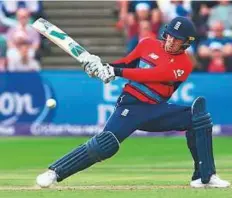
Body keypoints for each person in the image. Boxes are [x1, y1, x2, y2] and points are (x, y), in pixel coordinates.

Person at [36, 17, 230, 188]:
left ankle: (204, 177)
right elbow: (127, 63)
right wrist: (102, 67)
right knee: (106, 144)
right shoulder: (147, 44)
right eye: (169, 35)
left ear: (186, 43)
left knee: (198, 117)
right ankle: (55, 172)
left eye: (176, 39)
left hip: (156, 110)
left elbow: (154, 74)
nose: (171, 41)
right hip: (131, 106)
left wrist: (116, 72)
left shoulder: (184, 64)